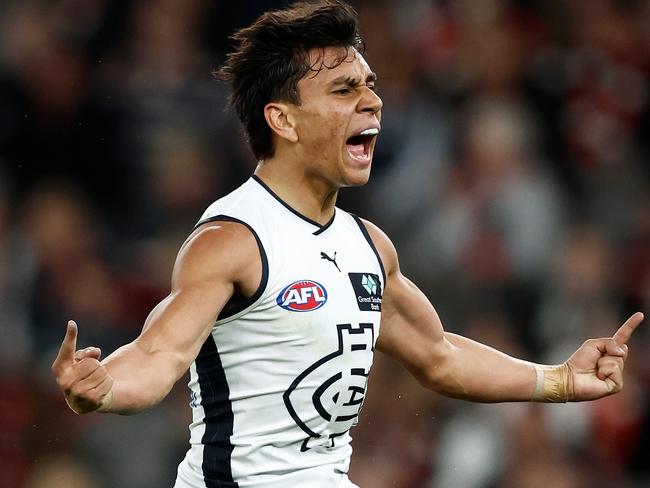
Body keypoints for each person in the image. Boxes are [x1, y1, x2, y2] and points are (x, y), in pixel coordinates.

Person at [51, 2, 644, 487]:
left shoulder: (369, 246)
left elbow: (438, 356)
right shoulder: (232, 240)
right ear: (282, 120)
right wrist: (104, 390)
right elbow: (159, 356)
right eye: (343, 90)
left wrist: (559, 381)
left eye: (369, 85)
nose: (373, 101)